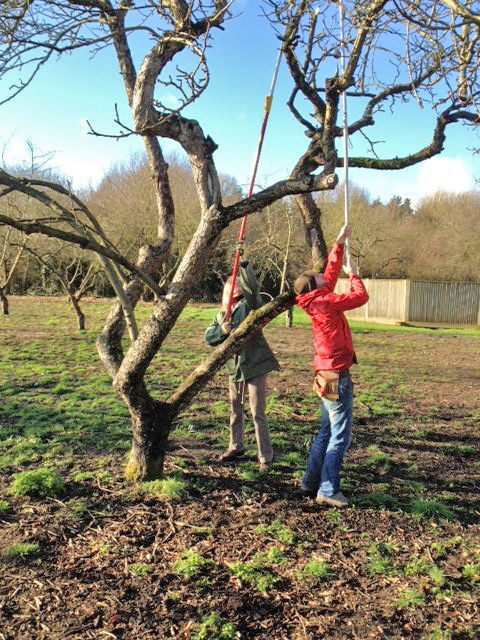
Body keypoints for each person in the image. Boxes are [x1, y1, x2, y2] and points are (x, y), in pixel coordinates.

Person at [293, 224, 369, 507]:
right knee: (340, 434)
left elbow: (329, 273)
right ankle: (327, 489)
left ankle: (310, 482)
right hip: (337, 373)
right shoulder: (326, 302)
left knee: (326, 430)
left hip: (325, 372)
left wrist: (339, 244)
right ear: (317, 286)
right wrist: (355, 275)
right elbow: (360, 297)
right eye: (319, 276)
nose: (323, 275)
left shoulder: (314, 298)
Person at [205, 259, 280, 472]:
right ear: (226, 291)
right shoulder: (221, 315)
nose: (235, 286)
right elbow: (208, 338)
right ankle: (235, 446)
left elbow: (253, 290)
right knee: (235, 411)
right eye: (232, 284)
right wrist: (222, 331)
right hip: (234, 369)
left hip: (255, 366)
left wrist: (245, 267)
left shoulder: (249, 305)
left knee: (257, 412)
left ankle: (265, 457)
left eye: (237, 284)